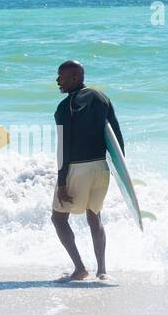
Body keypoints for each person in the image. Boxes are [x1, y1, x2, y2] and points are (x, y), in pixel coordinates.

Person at [52, 60, 124, 282]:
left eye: (61, 77)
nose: (57, 81)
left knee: (58, 218)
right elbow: (116, 136)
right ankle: (102, 270)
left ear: (75, 77)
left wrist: (62, 181)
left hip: (77, 168)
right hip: (101, 168)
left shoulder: (65, 107)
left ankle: (80, 268)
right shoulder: (103, 98)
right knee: (95, 216)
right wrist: (119, 171)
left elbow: (63, 146)